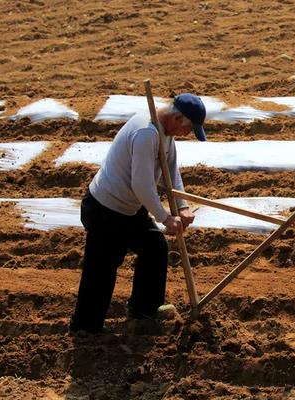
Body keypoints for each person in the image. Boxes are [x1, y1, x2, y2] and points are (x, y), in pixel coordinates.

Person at [69, 93, 207, 334]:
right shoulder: (146, 133)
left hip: (129, 208)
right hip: (106, 209)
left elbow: (171, 171)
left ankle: (144, 308)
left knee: (154, 247)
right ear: (176, 118)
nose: (186, 135)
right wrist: (165, 217)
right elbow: (141, 185)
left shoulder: (165, 131)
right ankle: (85, 329)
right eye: (187, 129)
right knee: (101, 270)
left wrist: (182, 206)